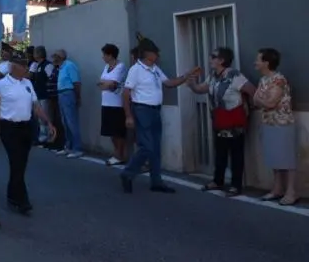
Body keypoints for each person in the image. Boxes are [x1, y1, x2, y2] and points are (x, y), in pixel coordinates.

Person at [0, 50, 56, 215]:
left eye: (26, 65)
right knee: (16, 162)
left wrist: (48, 122)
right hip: (9, 128)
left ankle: (12, 194)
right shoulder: (1, 84)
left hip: (26, 126)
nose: (26, 69)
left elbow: (36, 106)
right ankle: (22, 200)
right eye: (23, 65)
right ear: (13, 67)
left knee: (20, 165)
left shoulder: (27, 83)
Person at [120, 38, 195, 194]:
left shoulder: (155, 69)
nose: (158, 55)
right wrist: (128, 116)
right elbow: (126, 93)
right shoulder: (136, 70)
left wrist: (185, 77)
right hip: (142, 110)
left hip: (155, 110)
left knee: (155, 147)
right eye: (155, 52)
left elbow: (168, 83)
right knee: (147, 146)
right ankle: (127, 173)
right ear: (147, 54)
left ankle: (156, 181)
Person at [187, 47, 256, 196]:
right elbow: (201, 89)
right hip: (219, 118)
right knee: (220, 152)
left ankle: (236, 185)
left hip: (234, 119)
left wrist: (249, 107)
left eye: (213, 56)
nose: (210, 59)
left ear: (222, 60)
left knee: (236, 153)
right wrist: (192, 83)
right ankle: (218, 181)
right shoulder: (213, 75)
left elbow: (252, 90)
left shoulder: (234, 75)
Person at [253, 47, 299, 206]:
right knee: (274, 157)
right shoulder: (263, 80)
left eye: (258, 59)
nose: (255, 62)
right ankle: (278, 188)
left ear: (266, 62)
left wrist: (261, 100)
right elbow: (256, 100)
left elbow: (270, 102)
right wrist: (261, 100)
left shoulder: (279, 79)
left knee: (287, 158)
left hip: (282, 122)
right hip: (268, 122)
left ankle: (291, 191)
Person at [98, 44, 128, 166]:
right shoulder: (106, 67)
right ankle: (116, 153)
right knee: (110, 131)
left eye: (104, 54)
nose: (103, 57)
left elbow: (113, 84)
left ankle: (120, 154)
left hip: (117, 104)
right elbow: (101, 82)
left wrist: (105, 84)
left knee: (118, 131)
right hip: (106, 103)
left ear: (110, 55)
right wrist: (105, 84)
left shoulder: (120, 67)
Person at [51, 49, 83, 159]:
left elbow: (76, 82)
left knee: (71, 122)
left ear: (60, 57)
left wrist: (78, 97)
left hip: (68, 94)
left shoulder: (69, 66)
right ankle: (68, 146)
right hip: (61, 94)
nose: (53, 58)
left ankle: (77, 148)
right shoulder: (60, 68)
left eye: (55, 56)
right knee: (65, 121)